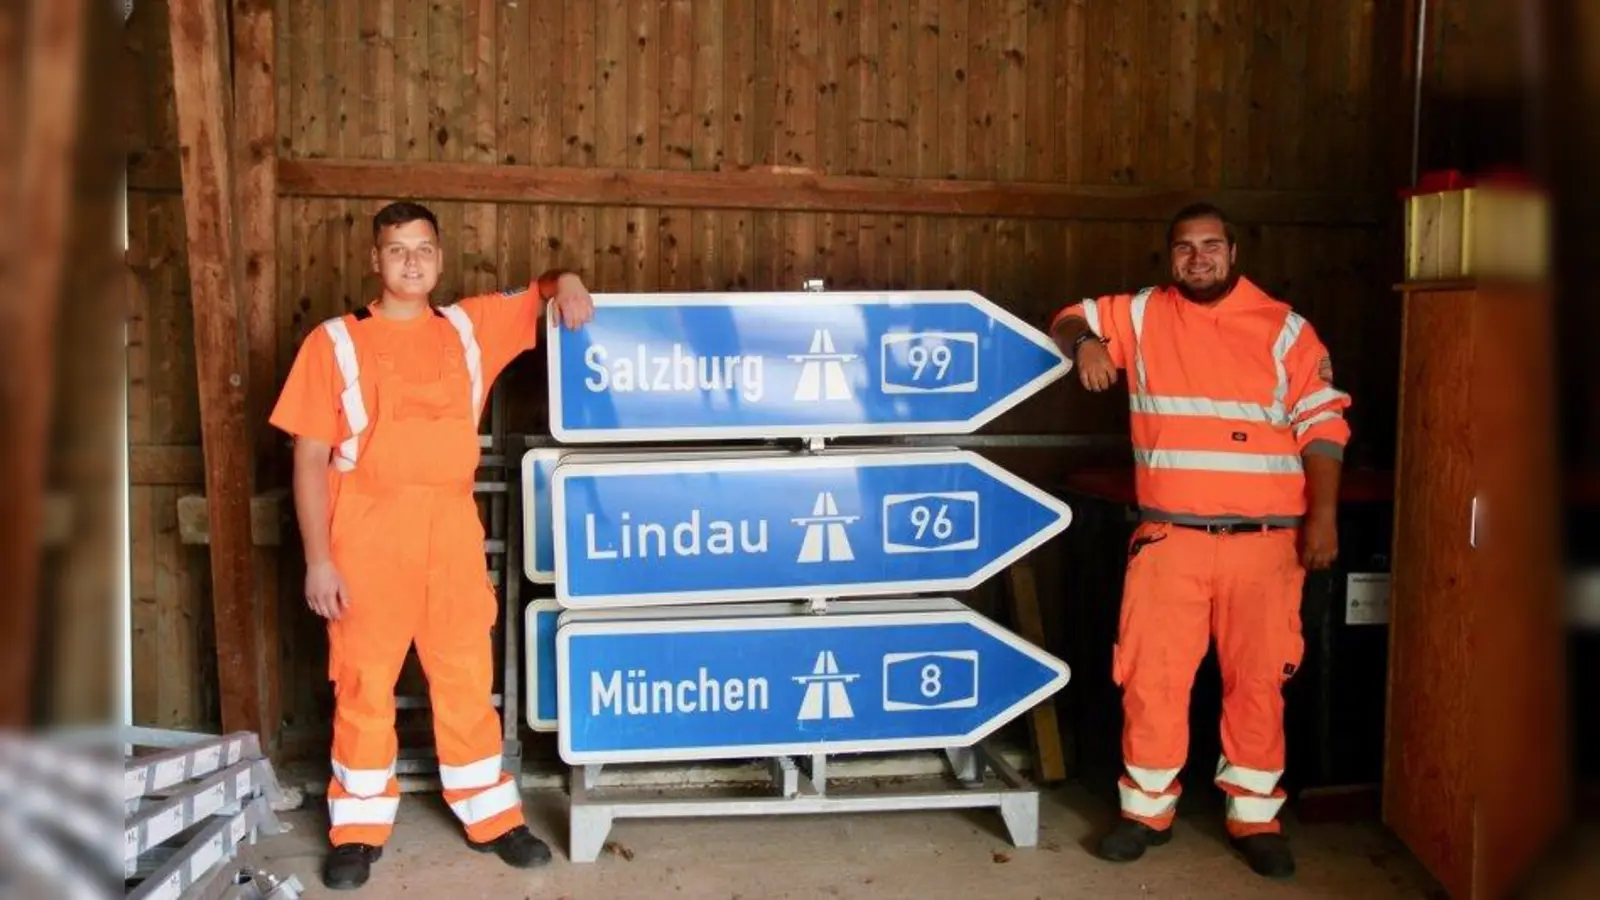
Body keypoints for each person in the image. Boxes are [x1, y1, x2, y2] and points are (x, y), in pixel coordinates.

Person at [268, 200, 594, 890]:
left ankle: (492, 816)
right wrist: (319, 560)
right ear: (374, 259)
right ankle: (357, 830)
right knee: (364, 683)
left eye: (422, 249)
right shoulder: (333, 342)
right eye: (396, 249)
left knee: (466, 676)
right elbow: (308, 458)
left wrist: (566, 281)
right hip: (365, 535)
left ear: (440, 259)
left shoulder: (469, 327)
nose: (410, 261)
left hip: (450, 533)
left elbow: (543, 287)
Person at [1051, 203, 1350, 880]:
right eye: (1185, 247)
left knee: (1259, 682)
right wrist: (1087, 343)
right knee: (1151, 678)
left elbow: (1325, 426)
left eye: (1211, 245)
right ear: (1170, 258)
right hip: (1170, 539)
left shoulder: (1285, 329)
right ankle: (1145, 813)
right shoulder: (1143, 314)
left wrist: (1324, 517)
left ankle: (1255, 818)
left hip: (1267, 544)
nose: (1198, 258)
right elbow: (1068, 316)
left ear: (1234, 253)